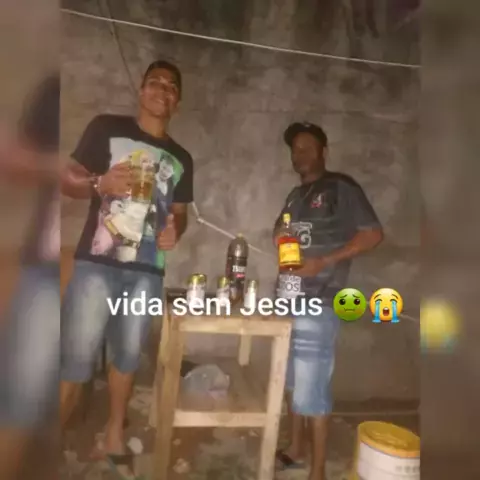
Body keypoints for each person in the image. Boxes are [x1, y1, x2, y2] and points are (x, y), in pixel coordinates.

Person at [60, 60, 193, 468]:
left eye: (171, 86)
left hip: (147, 272)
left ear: (178, 101)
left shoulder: (182, 158)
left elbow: (180, 212)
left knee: (128, 355)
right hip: (97, 264)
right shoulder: (106, 128)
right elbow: (66, 179)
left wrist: (176, 230)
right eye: (155, 82)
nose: (163, 89)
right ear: (141, 90)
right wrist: (99, 183)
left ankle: (115, 434)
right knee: (75, 357)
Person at [273, 122, 383, 480]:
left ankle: (318, 471)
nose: (299, 154)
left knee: (312, 386)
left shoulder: (341, 187)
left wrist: (323, 261)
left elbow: (372, 234)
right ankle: (296, 448)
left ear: (324, 152)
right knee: (291, 379)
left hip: (319, 300)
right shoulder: (294, 196)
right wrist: (280, 236)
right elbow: (280, 231)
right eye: (295, 149)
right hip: (287, 297)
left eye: (307, 147)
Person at [0, 72, 60, 479]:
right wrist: (60, 168)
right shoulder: (55, 90)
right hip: (46, 269)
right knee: (20, 399)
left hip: (90, 265)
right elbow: (12, 159)